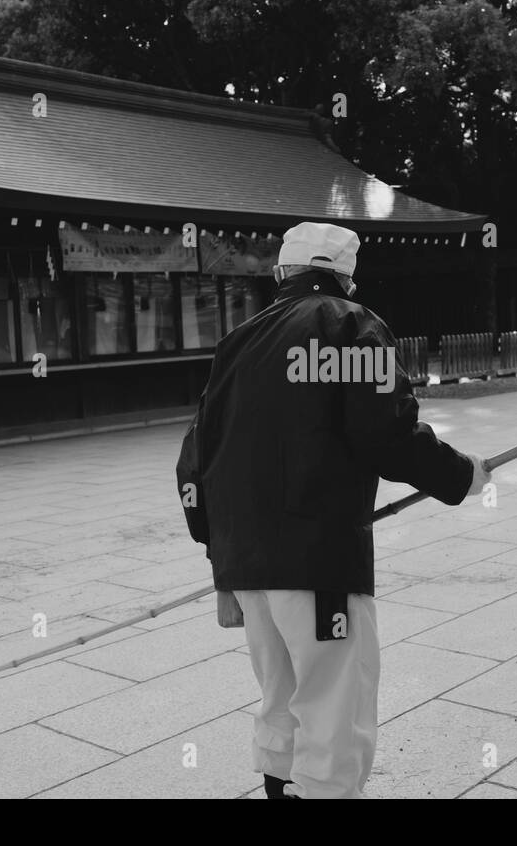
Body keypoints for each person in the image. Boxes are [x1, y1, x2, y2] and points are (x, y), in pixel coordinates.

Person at [176, 221, 491, 799]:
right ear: (346, 276)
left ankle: (283, 791)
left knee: (281, 692)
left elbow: (196, 460)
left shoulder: (237, 342)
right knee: (333, 702)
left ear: (282, 274)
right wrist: (461, 474)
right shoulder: (352, 325)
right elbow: (385, 435)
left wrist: (219, 561)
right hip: (319, 560)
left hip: (250, 566)